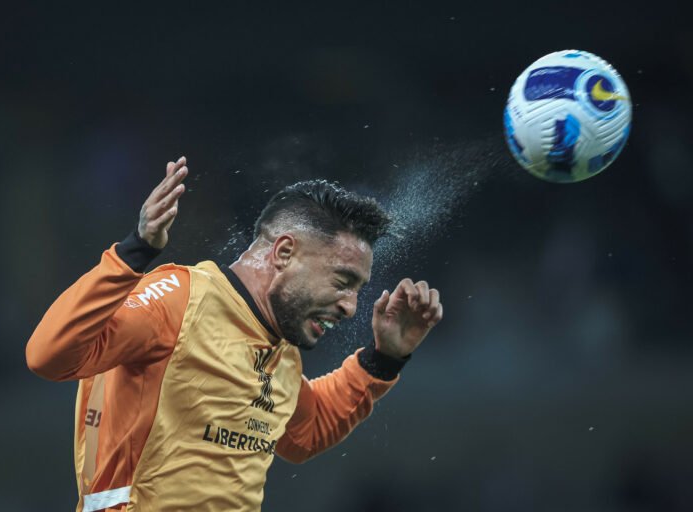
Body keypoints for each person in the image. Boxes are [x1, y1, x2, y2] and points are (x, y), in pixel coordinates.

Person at [26, 156, 443, 512]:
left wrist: (383, 359)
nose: (351, 306)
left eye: (357, 289)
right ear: (283, 253)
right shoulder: (179, 301)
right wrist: (133, 252)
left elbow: (304, 432)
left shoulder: (278, 349)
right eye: (342, 280)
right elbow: (51, 356)